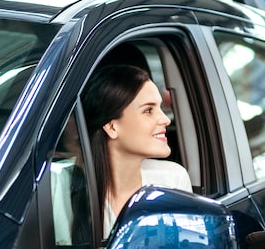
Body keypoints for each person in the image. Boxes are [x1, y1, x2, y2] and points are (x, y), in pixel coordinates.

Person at [80, 64, 191, 238]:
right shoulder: (60, 189)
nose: (165, 119)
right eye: (148, 110)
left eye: (160, 108)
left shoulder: (172, 180)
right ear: (111, 126)